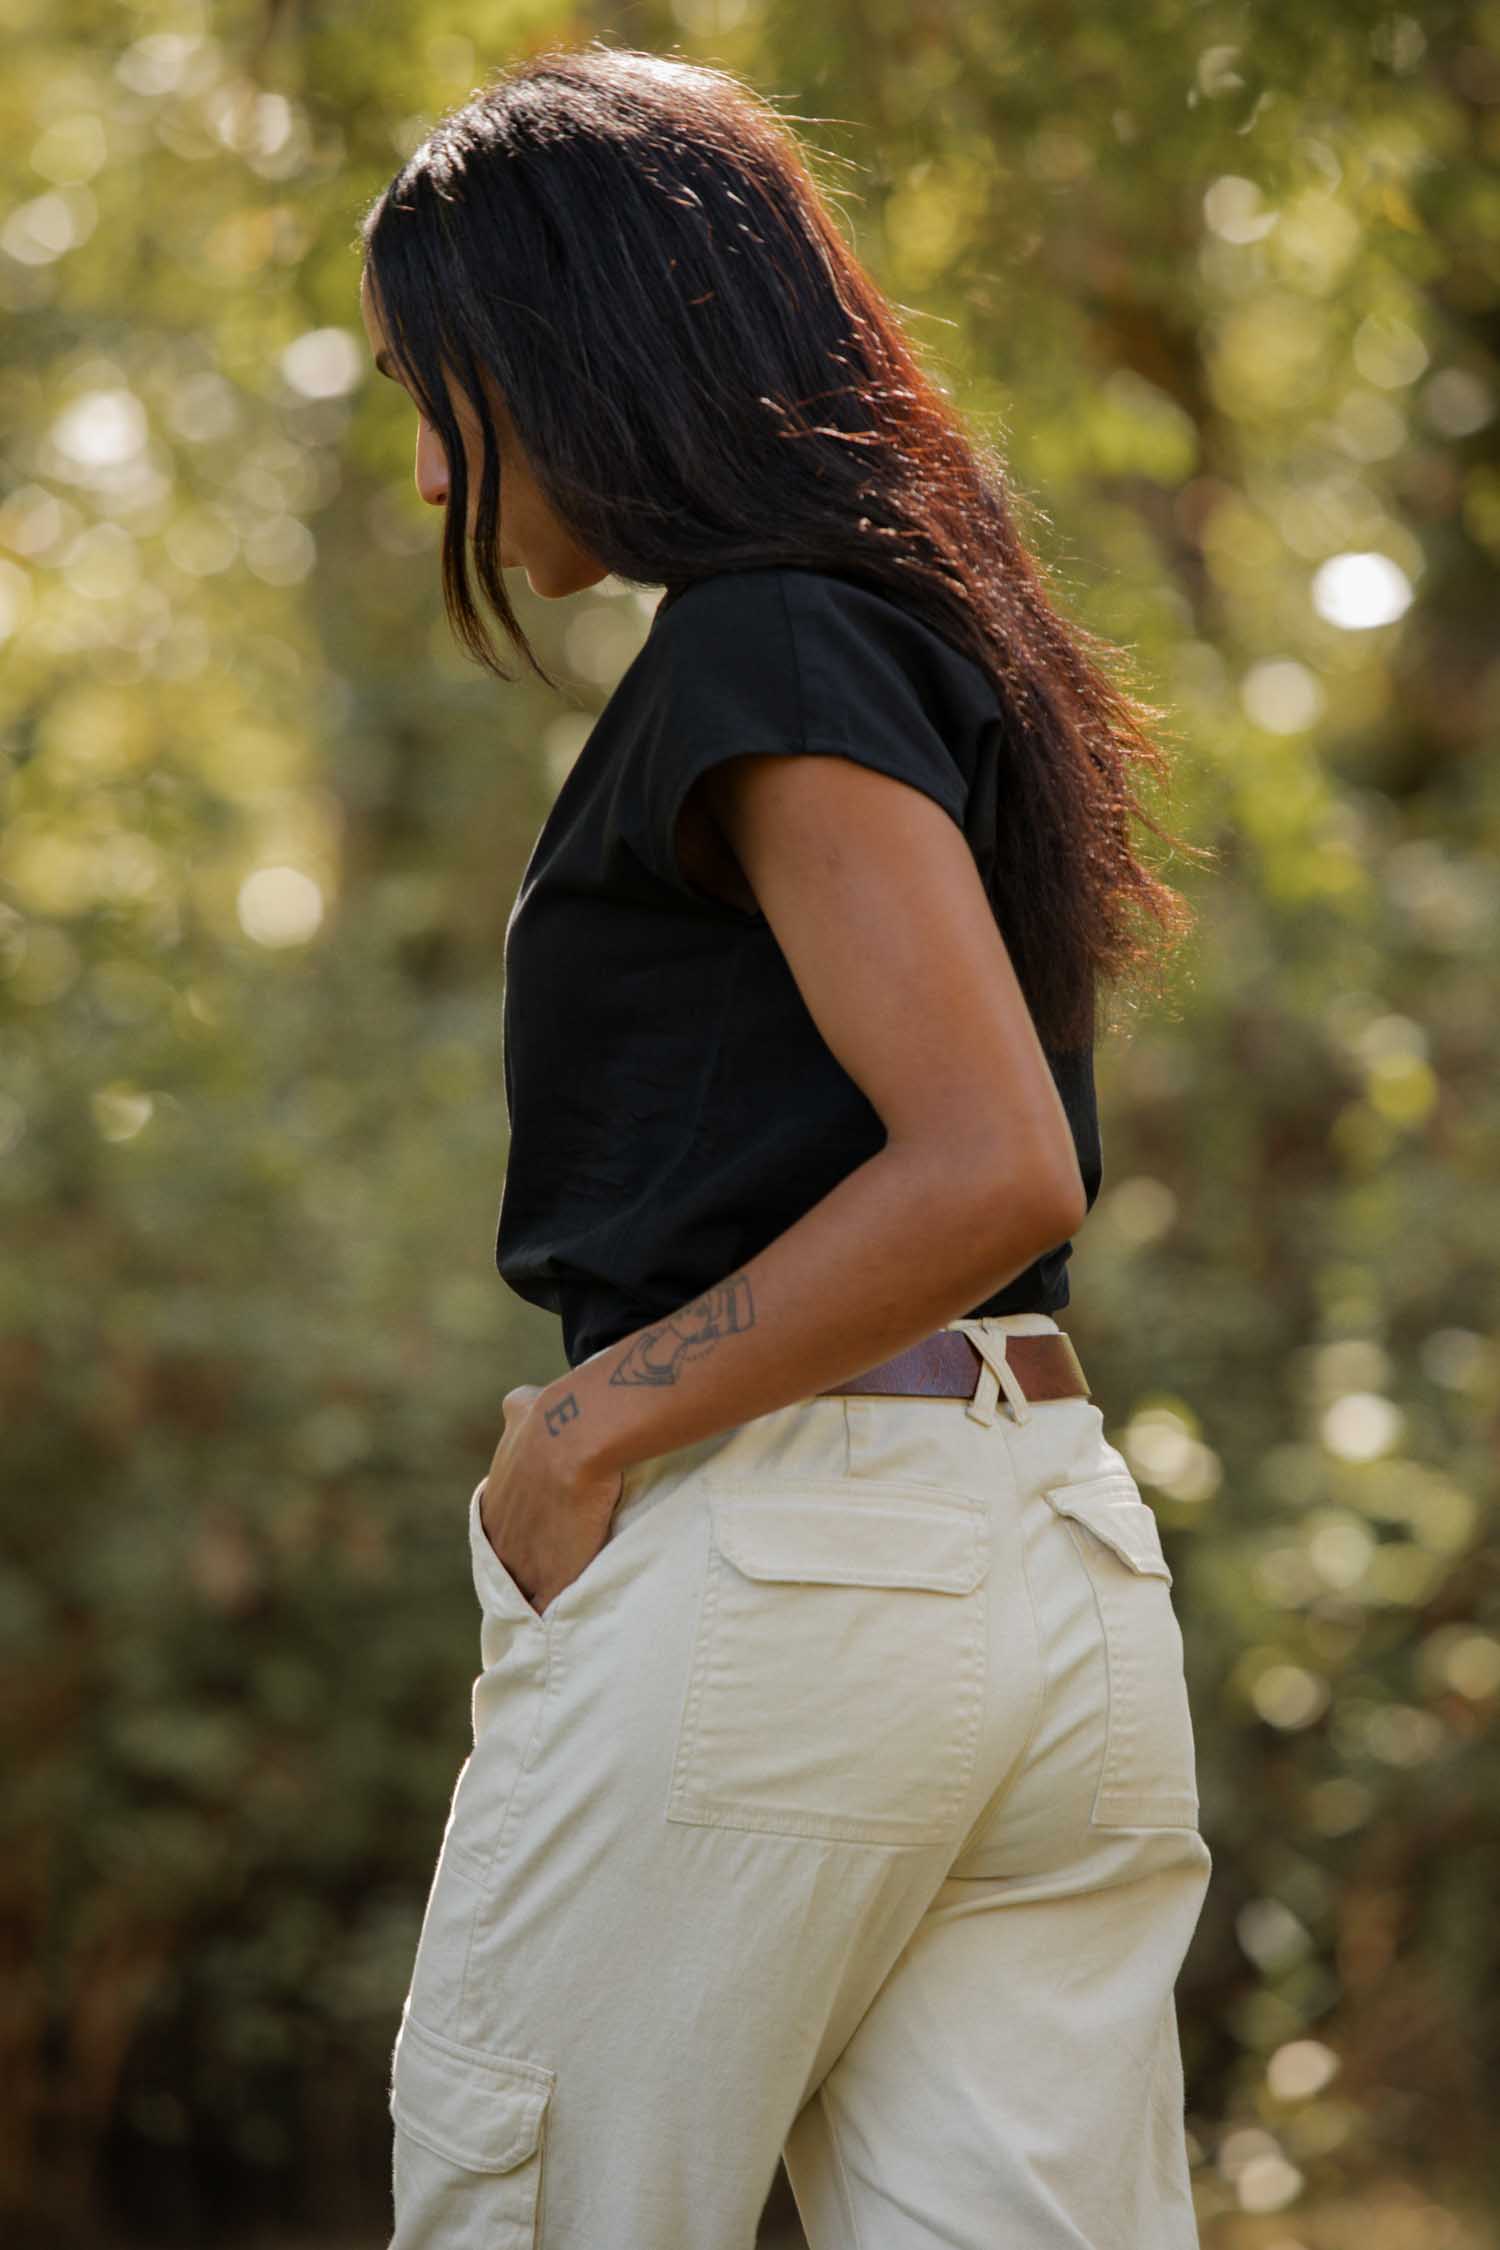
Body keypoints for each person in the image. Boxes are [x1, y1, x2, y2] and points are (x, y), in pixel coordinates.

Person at [357, 39, 1214, 2250]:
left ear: (569, 354)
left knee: (524, 2214)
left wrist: (590, 1422)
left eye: (434, 387)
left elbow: (991, 1164)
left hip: (800, 1577)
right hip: (1042, 1566)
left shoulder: (765, 649)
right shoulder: (920, 631)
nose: (430, 461)